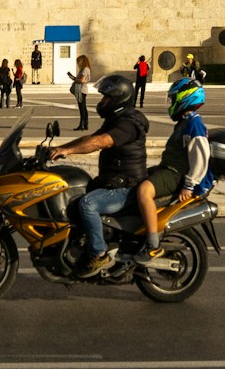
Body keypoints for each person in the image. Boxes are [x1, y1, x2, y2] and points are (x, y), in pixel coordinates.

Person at [46, 74, 150, 276]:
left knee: (88, 204)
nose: (102, 102)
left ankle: (99, 254)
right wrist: (60, 148)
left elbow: (100, 142)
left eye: (106, 98)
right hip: (113, 181)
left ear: (119, 99)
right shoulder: (117, 119)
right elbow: (91, 138)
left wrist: (69, 151)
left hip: (126, 186)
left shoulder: (128, 125)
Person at [133, 77, 213, 260]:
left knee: (144, 191)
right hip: (168, 169)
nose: (171, 102)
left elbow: (200, 158)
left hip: (176, 175)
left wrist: (189, 185)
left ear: (185, 98)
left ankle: (152, 244)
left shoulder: (194, 125)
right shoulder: (186, 122)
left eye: (173, 98)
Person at [66, 54, 92, 130]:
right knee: (83, 107)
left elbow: (82, 80)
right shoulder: (85, 69)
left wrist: (74, 79)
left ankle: (82, 125)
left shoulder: (84, 69)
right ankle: (85, 124)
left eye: (78, 62)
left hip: (81, 90)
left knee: (82, 108)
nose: (78, 63)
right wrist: (73, 77)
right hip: (81, 90)